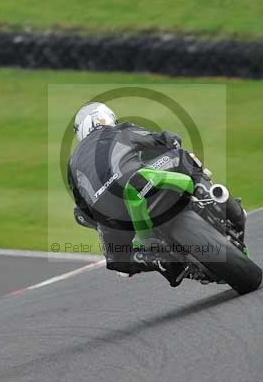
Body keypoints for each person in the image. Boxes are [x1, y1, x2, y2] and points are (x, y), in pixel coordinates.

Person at [67, 101, 211, 286]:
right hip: (139, 182)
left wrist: (101, 225)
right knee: (183, 156)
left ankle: (157, 261)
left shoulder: (72, 163)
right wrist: (172, 141)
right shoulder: (121, 130)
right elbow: (163, 140)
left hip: (111, 215)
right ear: (109, 118)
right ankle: (209, 193)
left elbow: (81, 209)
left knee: (118, 261)